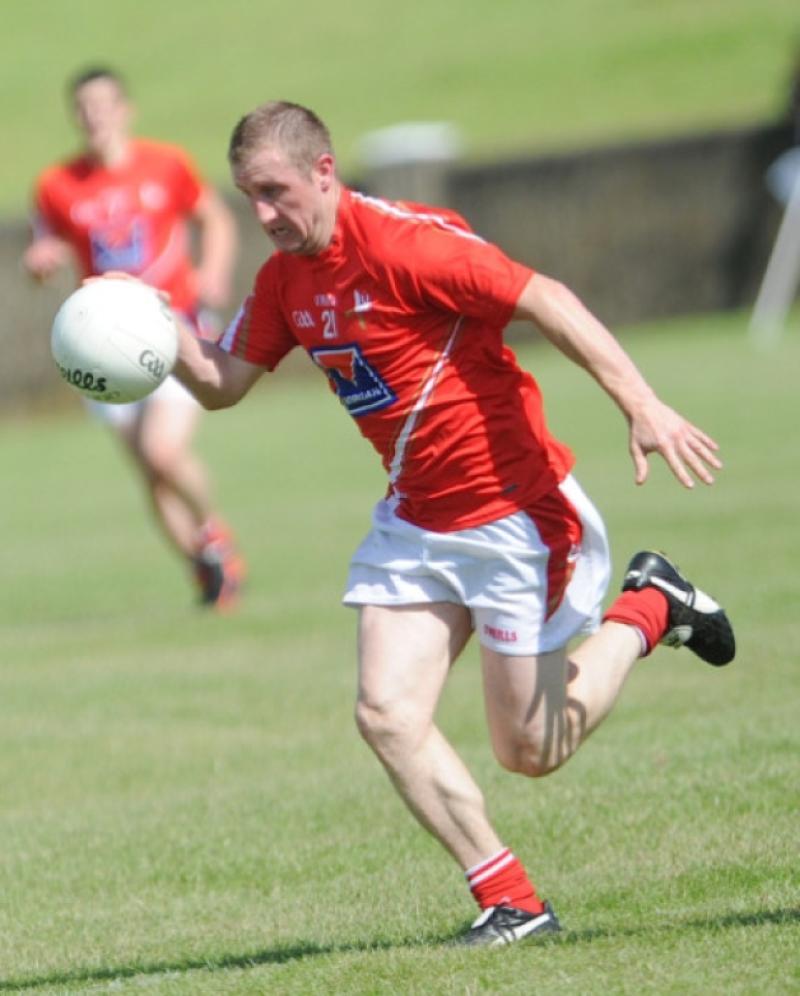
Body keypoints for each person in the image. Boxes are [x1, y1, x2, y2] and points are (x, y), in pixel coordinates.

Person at [170, 101, 735, 945]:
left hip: (513, 516)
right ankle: (514, 902)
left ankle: (651, 606)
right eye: (248, 195)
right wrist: (150, 330)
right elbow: (222, 382)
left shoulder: (406, 245)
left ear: (324, 172)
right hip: (415, 521)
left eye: (274, 191)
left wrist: (641, 403)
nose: (262, 213)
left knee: (530, 750)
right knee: (385, 714)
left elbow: (546, 297)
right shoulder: (286, 281)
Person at [23, 66, 245, 609]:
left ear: (126, 109)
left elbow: (216, 220)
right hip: (101, 343)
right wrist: (39, 263)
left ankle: (214, 536)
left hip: (172, 326)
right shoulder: (56, 185)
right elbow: (44, 250)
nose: (93, 115)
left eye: (103, 104)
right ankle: (205, 571)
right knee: (150, 473)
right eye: (83, 107)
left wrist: (214, 274)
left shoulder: (166, 163)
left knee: (162, 452)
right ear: (75, 115)